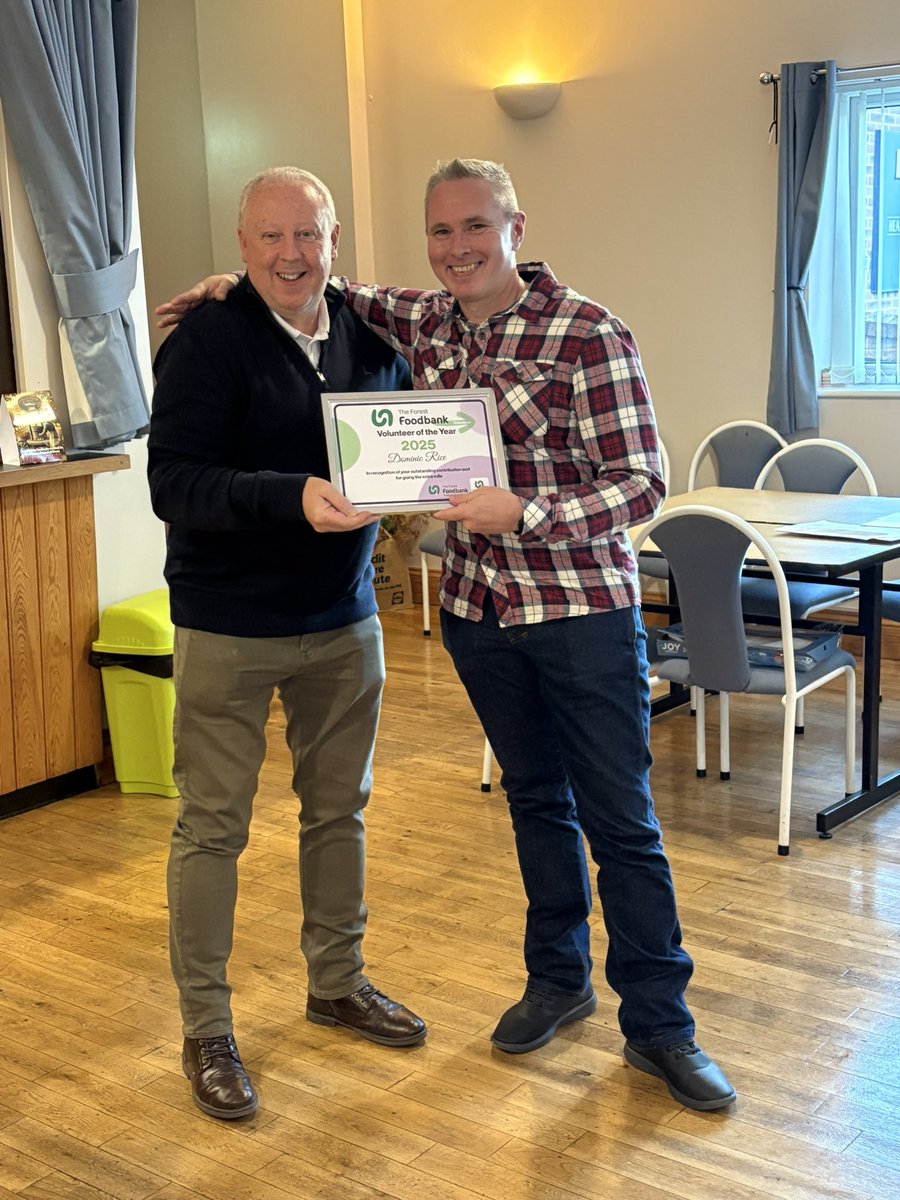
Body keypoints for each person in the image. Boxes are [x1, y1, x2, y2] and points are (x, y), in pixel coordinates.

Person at [156, 158, 736, 1112]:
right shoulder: (410, 323)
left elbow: (643, 485)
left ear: (514, 226)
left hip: (577, 610)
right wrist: (240, 288)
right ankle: (556, 982)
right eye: (440, 233)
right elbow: (190, 455)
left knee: (621, 824)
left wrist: (529, 513)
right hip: (470, 613)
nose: (458, 248)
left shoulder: (586, 331)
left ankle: (662, 1027)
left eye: (475, 227)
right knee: (534, 807)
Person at [148, 166, 425, 1122]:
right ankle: (207, 1030)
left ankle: (336, 982)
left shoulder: (371, 330)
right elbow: (175, 484)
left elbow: (407, 438)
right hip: (228, 626)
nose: (291, 255)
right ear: (241, 247)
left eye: (308, 235)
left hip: (345, 622)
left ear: (335, 241)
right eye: (270, 238)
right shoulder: (208, 341)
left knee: (338, 812)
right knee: (212, 829)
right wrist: (287, 496)